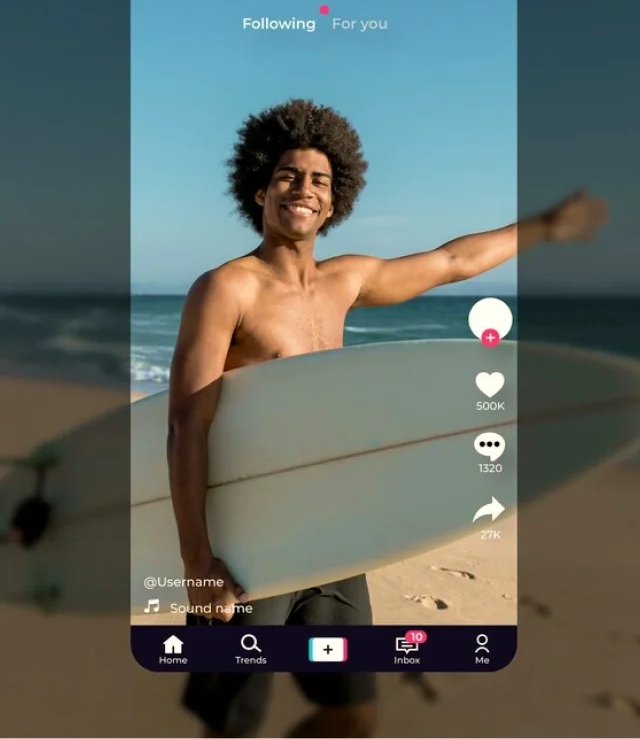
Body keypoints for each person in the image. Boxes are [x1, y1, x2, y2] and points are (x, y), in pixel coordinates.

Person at [167, 98, 607, 738]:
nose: (305, 189)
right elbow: (186, 423)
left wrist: (543, 227)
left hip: (336, 540)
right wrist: (197, 560)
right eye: (289, 175)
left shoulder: (346, 281)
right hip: (249, 542)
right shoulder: (226, 289)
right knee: (231, 726)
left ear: (333, 201)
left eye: (320, 180)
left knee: (352, 715)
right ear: (259, 189)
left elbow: (452, 262)